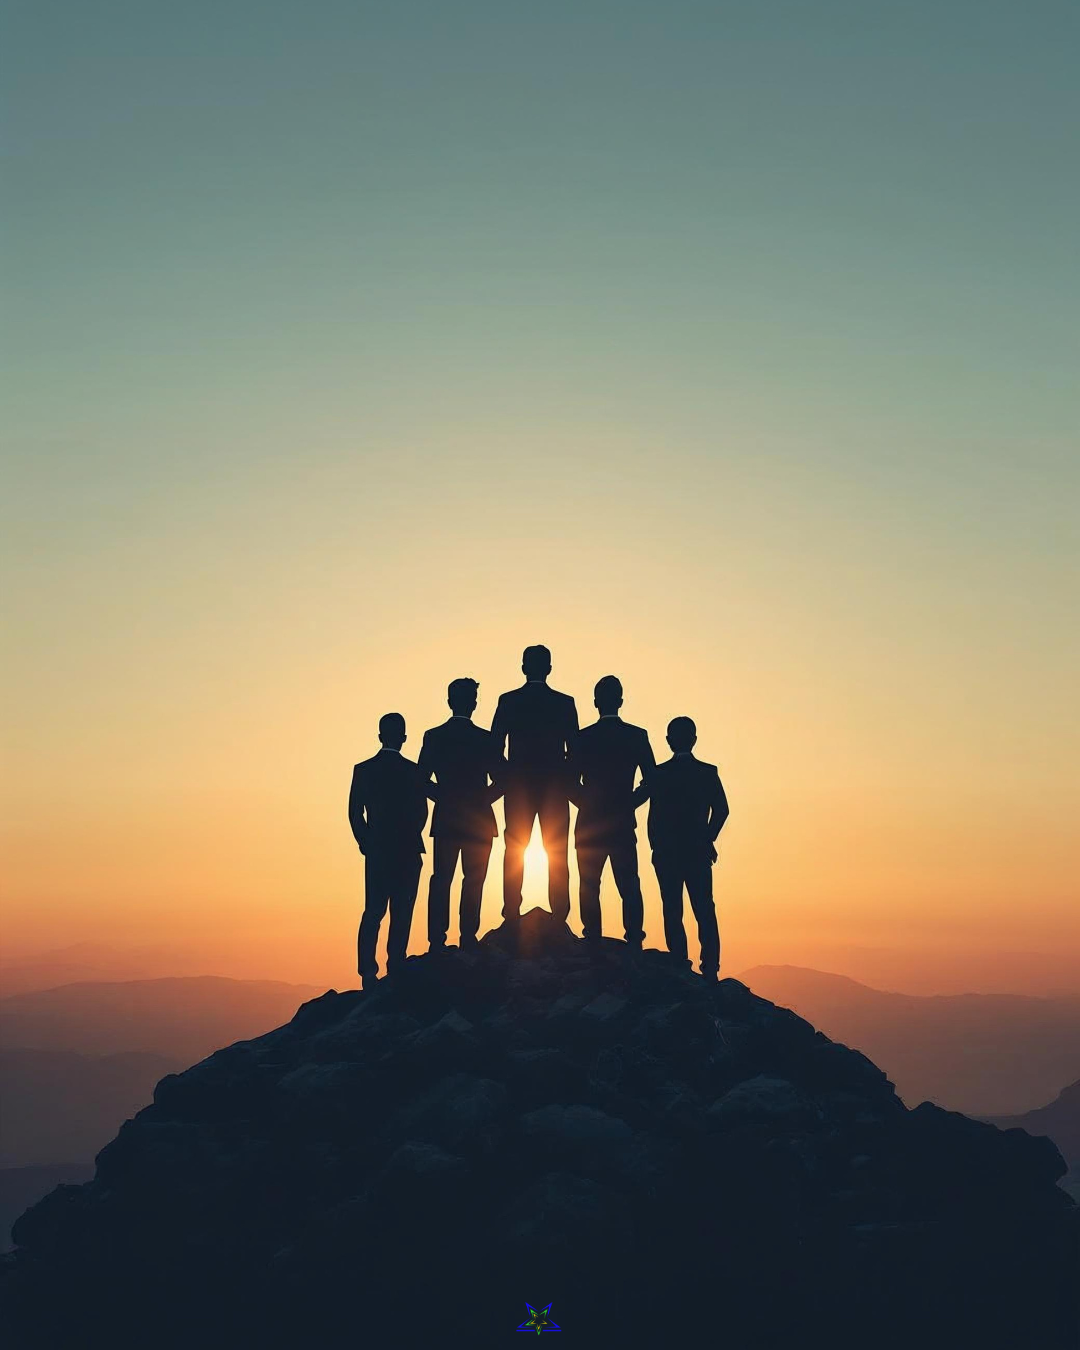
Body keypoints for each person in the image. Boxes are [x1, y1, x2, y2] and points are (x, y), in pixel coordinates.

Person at [490, 645, 579, 923]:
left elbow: (494, 747)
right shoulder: (565, 703)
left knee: (515, 848)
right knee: (557, 850)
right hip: (555, 790)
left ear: (523, 667)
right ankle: (560, 912)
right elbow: (575, 750)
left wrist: (505, 779)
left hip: (518, 789)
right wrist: (566, 781)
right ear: (549, 669)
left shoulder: (508, 701)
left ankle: (512, 911)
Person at [636, 716, 729, 979]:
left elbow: (636, 801)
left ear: (668, 741)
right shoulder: (708, 773)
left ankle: (680, 963)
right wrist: (708, 839)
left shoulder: (658, 774)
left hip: (666, 854)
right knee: (704, 909)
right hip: (698, 852)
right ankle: (710, 969)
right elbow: (722, 810)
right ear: (695, 740)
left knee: (672, 908)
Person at [418, 678, 506, 950]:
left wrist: (444, 798)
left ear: (449, 701)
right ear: (474, 703)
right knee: (474, 880)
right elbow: (503, 780)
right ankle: (468, 936)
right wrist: (482, 801)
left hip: (447, 819)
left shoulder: (434, 736)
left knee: (442, 879)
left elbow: (420, 779)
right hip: (479, 821)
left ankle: (437, 940)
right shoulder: (484, 739)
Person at [569, 675, 655, 946]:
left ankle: (592, 936)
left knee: (589, 884)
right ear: (620, 700)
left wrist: (586, 803)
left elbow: (568, 781)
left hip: (589, 823)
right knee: (629, 884)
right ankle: (633, 939)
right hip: (621, 822)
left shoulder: (582, 739)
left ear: (595, 703)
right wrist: (629, 803)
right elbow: (652, 780)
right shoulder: (636, 736)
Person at [348, 712, 431, 986]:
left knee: (373, 911)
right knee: (401, 909)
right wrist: (410, 835)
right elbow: (422, 811)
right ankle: (395, 962)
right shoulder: (414, 771)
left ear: (380, 735)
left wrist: (366, 843)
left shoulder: (364, 769)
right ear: (404, 738)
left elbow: (354, 813)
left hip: (378, 852)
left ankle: (368, 972)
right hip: (407, 851)